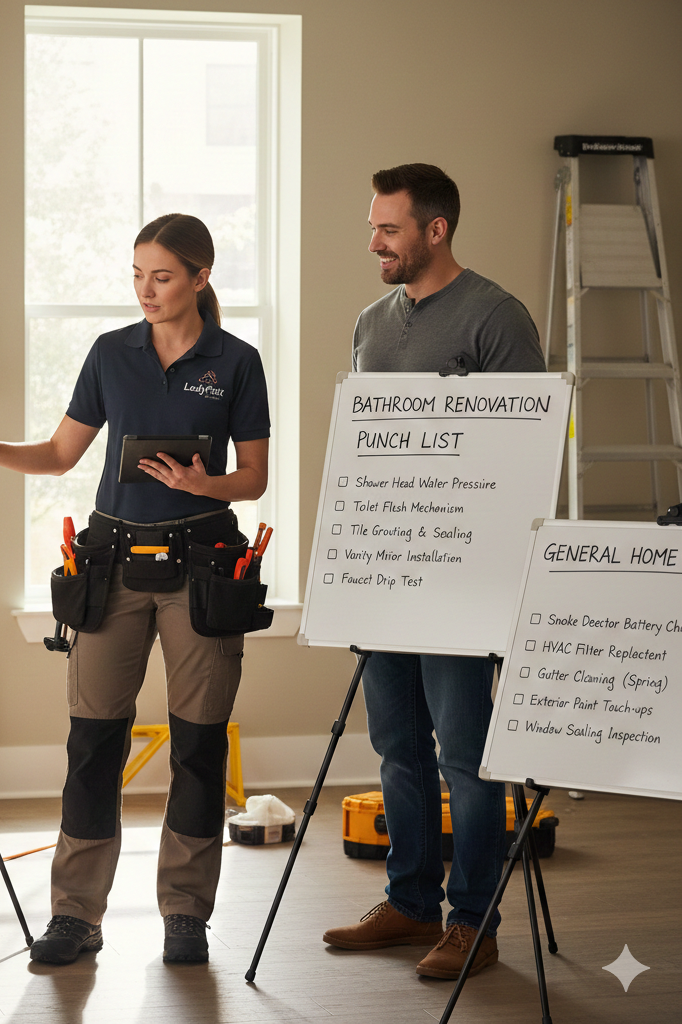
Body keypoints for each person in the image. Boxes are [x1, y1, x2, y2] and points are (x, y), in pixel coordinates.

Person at [0, 213, 270, 966]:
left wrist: (199, 482)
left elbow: (254, 477)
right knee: (93, 743)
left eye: (164, 276)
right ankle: (75, 917)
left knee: (199, 745)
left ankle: (186, 914)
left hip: (203, 564)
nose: (147, 290)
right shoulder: (110, 354)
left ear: (201, 278)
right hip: (112, 565)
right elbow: (57, 454)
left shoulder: (236, 362)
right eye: (138, 275)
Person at [322, 164, 546, 980]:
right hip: (386, 572)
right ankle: (412, 903)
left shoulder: (496, 317)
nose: (374, 241)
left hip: (460, 580)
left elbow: (525, 453)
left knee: (465, 754)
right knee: (396, 749)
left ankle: (473, 922)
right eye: (374, 226)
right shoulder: (372, 323)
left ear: (435, 229)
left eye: (388, 228)